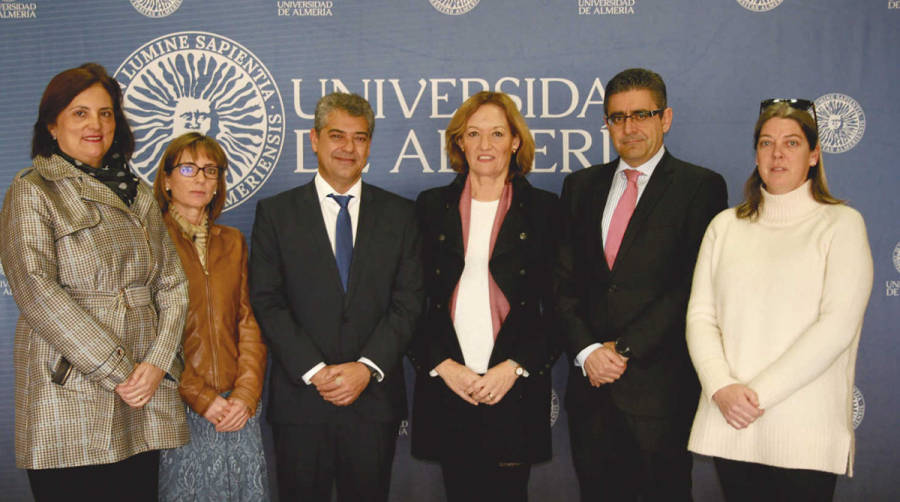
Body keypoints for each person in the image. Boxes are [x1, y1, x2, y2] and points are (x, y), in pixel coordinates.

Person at [0, 63, 188, 501]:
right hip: (72, 390)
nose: (96, 124)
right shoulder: (33, 190)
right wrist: (119, 370)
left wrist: (157, 363)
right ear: (52, 125)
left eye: (105, 113)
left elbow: (173, 285)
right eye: (80, 113)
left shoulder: (138, 191)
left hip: (144, 387)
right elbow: (36, 290)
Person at [686, 99, 873, 501]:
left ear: (814, 154)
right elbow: (701, 318)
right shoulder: (725, 226)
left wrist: (754, 398)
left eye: (791, 143)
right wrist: (721, 387)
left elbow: (837, 326)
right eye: (767, 142)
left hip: (803, 433)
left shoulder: (842, 224)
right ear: (755, 154)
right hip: (732, 426)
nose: (777, 153)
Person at [556, 67, 728, 501]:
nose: (629, 127)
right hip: (591, 389)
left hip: (660, 394)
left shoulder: (700, 187)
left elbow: (691, 285)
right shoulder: (579, 187)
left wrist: (624, 349)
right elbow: (561, 282)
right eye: (617, 117)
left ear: (665, 118)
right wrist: (588, 351)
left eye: (641, 115)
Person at [249, 92, 423, 502]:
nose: (348, 148)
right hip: (302, 401)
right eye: (337, 135)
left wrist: (366, 367)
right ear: (314, 139)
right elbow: (267, 299)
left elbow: (410, 301)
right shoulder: (276, 213)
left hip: (373, 401)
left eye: (360, 138)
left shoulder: (400, 214)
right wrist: (314, 370)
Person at [408, 91, 560, 502]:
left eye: (497, 133)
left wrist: (515, 367)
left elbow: (562, 307)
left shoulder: (546, 211)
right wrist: (443, 365)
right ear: (460, 142)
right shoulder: (429, 208)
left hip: (513, 385)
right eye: (473, 134)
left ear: (515, 141)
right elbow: (407, 301)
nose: (485, 145)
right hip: (449, 384)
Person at [153, 133, 269, 501]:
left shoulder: (232, 240)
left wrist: (246, 395)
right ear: (167, 180)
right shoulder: (149, 240)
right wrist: (201, 397)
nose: (201, 178)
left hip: (237, 406)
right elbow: (149, 332)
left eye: (211, 170)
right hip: (178, 402)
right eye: (188, 168)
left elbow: (248, 321)